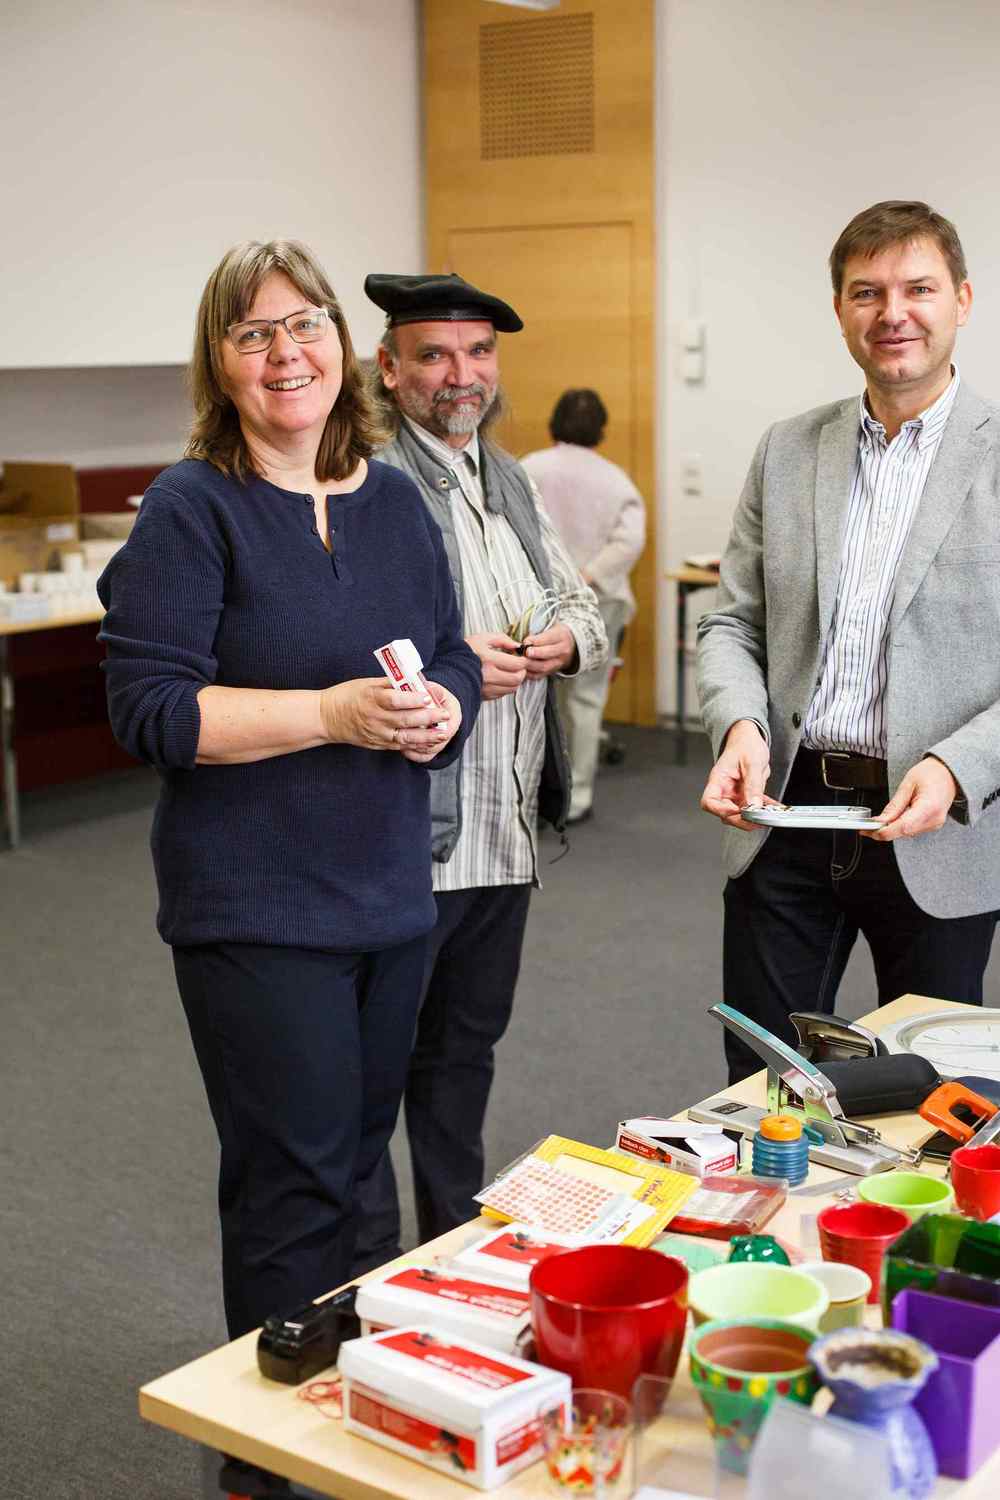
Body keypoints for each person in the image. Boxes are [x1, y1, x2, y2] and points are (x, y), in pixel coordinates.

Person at [97, 240, 482, 1342]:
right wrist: (330, 713)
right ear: (219, 365)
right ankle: (264, 1424)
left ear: (342, 345)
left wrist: (445, 706)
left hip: (389, 899)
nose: (285, 353)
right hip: (257, 911)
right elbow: (152, 712)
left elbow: (450, 652)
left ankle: (355, 1397)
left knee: (362, 1177)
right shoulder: (192, 508)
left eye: (305, 324)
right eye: (252, 333)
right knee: (294, 1189)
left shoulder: (394, 500)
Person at [697, 200, 1000, 1084]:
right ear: (839, 310)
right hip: (787, 815)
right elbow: (732, 622)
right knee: (765, 1081)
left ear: (962, 300)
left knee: (932, 1094)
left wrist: (956, 769)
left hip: (938, 825)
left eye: (918, 289)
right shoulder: (788, 450)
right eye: (867, 292)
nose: (892, 313)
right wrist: (739, 725)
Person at [354, 271, 607, 1264]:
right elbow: (337, 643)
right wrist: (453, 662)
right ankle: (365, 1277)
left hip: (504, 835)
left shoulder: (508, 476)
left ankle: (447, 1250)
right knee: (374, 1075)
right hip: (413, 840)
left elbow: (578, 602)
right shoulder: (365, 481)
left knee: (463, 1059)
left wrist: (567, 643)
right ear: (390, 369)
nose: (461, 375)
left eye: (479, 353)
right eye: (434, 355)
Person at [522, 389, 646, 822]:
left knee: (535, 696)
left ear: (553, 423)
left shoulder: (528, 468)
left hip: (537, 599)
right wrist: (586, 576)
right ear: (601, 430)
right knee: (587, 700)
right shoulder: (615, 479)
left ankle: (534, 791)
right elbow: (630, 541)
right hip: (599, 600)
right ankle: (576, 798)